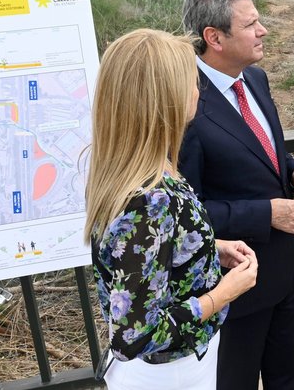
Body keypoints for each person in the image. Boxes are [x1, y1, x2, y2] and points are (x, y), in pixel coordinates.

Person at [84, 28, 258, 389]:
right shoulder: (149, 200)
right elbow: (136, 336)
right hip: (170, 374)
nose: (198, 91)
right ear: (166, 100)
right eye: (192, 82)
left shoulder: (137, 170)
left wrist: (208, 248)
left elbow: (154, 256)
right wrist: (225, 292)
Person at [178, 0, 294, 390]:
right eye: (252, 24)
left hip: (284, 273)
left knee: (287, 375)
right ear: (214, 37)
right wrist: (267, 213)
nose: (264, 31)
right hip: (232, 287)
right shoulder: (187, 103)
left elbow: (266, 150)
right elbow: (185, 211)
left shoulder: (254, 78)